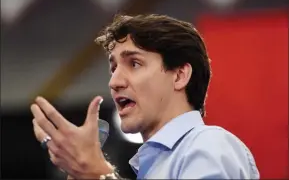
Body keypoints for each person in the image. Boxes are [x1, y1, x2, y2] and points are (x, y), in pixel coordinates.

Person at [31, 14, 260, 179]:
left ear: (180, 75)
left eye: (135, 63)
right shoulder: (152, 167)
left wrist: (97, 174)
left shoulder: (209, 145)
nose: (114, 82)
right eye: (113, 68)